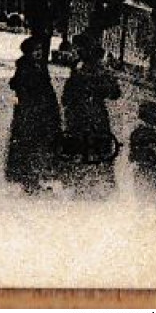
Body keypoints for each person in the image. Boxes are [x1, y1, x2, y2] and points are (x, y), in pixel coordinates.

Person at [60, 38, 121, 199]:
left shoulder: (79, 70)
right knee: (96, 147)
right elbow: (115, 93)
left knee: (82, 148)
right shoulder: (99, 71)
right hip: (93, 115)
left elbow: (66, 98)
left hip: (81, 116)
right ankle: (96, 185)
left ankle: (80, 184)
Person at [4, 33, 61, 195]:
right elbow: (23, 89)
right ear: (29, 52)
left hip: (39, 112)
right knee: (30, 145)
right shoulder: (27, 68)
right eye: (36, 50)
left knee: (37, 146)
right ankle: (29, 180)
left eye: (41, 50)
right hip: (31, 114)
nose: (39, 53)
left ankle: (33, 179)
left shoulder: (38, 67)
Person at [128, 100, 156, 202]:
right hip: (149, 172)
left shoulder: (137, 131)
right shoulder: (148, 132)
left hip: (140, 172)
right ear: (150, 116)